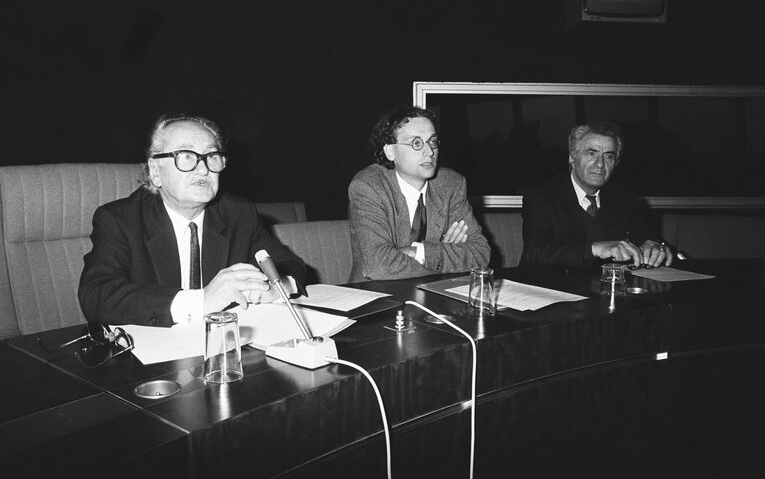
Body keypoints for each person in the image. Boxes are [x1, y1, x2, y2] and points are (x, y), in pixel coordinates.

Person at [78, 114, 306, 327]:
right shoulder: (120, 220)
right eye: (186, 156)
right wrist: (201, 301)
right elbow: (97, 295)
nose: (203, 169)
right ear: (155, 171)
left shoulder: (239, 213)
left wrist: (276, 288)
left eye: (212, 156)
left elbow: (288, 263)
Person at [348, 106, 490, 281]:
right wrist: (442, 255)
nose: (429, 151)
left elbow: (481, 253)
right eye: (416, 143)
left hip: (435, 295)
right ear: (390, 152)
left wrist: (419, 252)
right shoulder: (368, 186)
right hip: (375, 296)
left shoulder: (451, 185)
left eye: (432, 141)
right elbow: (379, 267)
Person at [520, 122, 673, 269]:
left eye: (608, 156)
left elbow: (647, 237)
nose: (600, 164)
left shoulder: (624, 198)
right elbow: (535, 252)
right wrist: (595, 249)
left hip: (606, 289)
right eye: (591, 153)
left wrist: (654, 245)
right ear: (572, 158)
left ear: (616, 162)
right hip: (550, 288)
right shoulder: (542, 196)